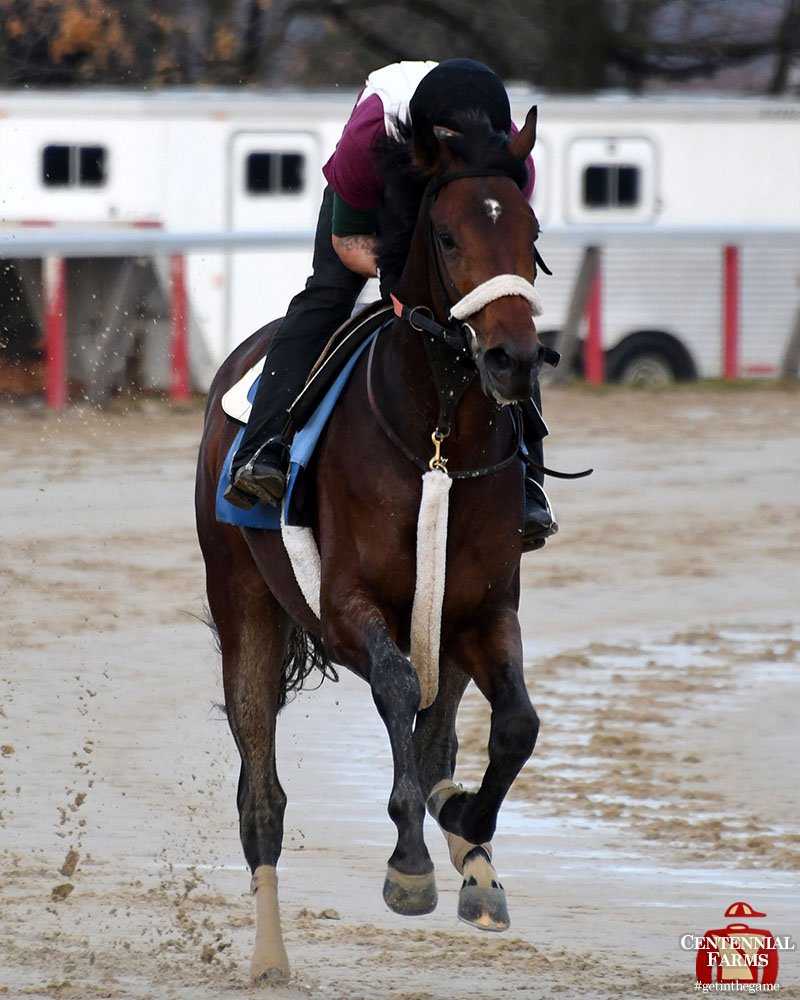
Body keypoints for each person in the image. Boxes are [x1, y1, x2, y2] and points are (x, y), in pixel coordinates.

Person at [224, 58, 557, 546]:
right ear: (425, 139)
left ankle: (529, 482)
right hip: (375, 205)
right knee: (328, 295)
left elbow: (502, 256)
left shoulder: (513, 163)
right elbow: (346, 243)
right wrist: (405, 280)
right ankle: (262, 447)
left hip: (459, 210)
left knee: (508, 316)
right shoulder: (368, 139)